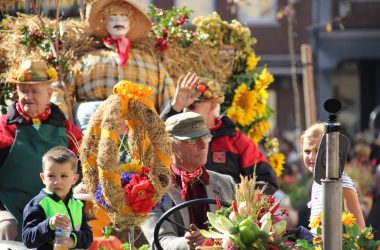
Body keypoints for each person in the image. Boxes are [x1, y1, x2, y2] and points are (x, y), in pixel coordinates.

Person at [54, 0, 175, 130]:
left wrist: (168, 131)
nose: (119, 21)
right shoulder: (86, 61)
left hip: (140, 136)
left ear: (131, 23)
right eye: (113, 17)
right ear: (103, 22)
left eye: (124, 17)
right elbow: (62, 92)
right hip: (94, 132)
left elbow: (169, 98)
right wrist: (64, 126)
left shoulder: (151, 64)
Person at [0, 59, 83, 241]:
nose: (28, 96)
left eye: (35, 91)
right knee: (7, 227)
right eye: (24, 90)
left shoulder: (66, 128)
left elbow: (84, 161)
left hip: (54, 208)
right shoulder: (4, 127)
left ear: (49, 93)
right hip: (10, 208)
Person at [160, 72, 278, 194]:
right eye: (183, 106)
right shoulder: (175, 136)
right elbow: (152, 143)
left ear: (213, 105)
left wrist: (232, 201)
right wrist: (175, 105)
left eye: (192, 106)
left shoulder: (236, 141)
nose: (185, 111)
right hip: (180, 209)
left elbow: (267, 181)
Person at [142, 112, 236, 250]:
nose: (203, 144)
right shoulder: (152, 188)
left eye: (206, 137)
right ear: (170, 145)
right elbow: (159, 240)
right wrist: (189, 243)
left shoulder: (226, 182)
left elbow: (240, 228)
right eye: (192, 139)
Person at [22, 146, 93, 249]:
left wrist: (72, 240)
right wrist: (50, 224)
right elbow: (28, 239)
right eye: (51, 176)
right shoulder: (38, 204)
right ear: (43, 178)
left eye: (63, 176)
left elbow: (88, 236)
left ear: (74, 179)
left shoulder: (77, 205)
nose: (57, 181)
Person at [301, 122, 365, 232]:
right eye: (307, 151)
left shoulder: (341, 183)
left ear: (330, 151)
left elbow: (359, 229)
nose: (311, 157)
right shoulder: (317, 181)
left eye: (317, 151)